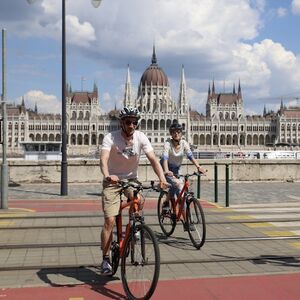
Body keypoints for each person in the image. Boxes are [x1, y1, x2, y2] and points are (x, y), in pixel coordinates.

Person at [99, 106, 168, 275]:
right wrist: (108, 175)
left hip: (131, 179)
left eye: (134, 122)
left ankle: (134, 229)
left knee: (138, 201)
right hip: (113, 180)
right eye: (128, 122)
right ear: (122, 123)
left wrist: (162, 177)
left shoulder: (141, 137)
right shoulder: (110, 138)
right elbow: (103, 159)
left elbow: (153, 159)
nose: (132, 125)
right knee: (110, 221)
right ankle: (106, 258)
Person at [160, 122, 206, 230]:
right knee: (177, 185)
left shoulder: (184, 143)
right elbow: (165, 158)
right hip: (166, 167)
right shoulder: (168, 143)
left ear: (181, 133)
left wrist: (199, 167)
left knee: (180, 194)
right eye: (174, 132)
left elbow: (190, 156)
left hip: (176, 169)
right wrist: (166, 171)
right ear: (171, 134)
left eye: (178, 132)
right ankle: (166, 203)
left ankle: (186, 222)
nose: (176, 134)